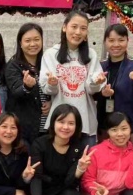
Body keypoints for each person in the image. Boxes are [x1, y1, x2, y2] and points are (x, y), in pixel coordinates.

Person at [40, 10, 105, 148]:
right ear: (64, 27)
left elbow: (91, 89)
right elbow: (47, 89)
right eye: (74, 27)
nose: (78, 32)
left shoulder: (91, 54)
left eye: (83, 28)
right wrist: (52, 84)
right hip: (60, 122)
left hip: (85, 120)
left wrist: (96, 82)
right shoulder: (51, 54)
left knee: (86, 159)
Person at [28, 104, 89, 195]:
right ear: (53, 123)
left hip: (64, 192)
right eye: (61, 122)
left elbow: (70, 182)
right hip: (42, 192)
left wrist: (79, 169)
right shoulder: (40, 144)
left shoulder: (79, 147)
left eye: (71, 123)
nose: (65, 127)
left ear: (76, 126)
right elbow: (36, 176)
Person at [96, 24, 133, 147]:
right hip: (106, 126)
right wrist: (102, 94)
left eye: (121, 40)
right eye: (111, 40)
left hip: (130, 126)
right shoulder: (99, 66)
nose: (116, 44)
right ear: (105, 42)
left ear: (127, 41)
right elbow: (91, 94)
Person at [5, 23, 52, 147]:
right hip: (25, 129)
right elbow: (16, 91)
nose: (33, 44)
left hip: (47, 126)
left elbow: (53, 88)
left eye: (36, 39)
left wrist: (51, 101)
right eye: (27, 40)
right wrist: (27, 87)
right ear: (20, 43)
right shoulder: (13, 65)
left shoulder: (47, 62)